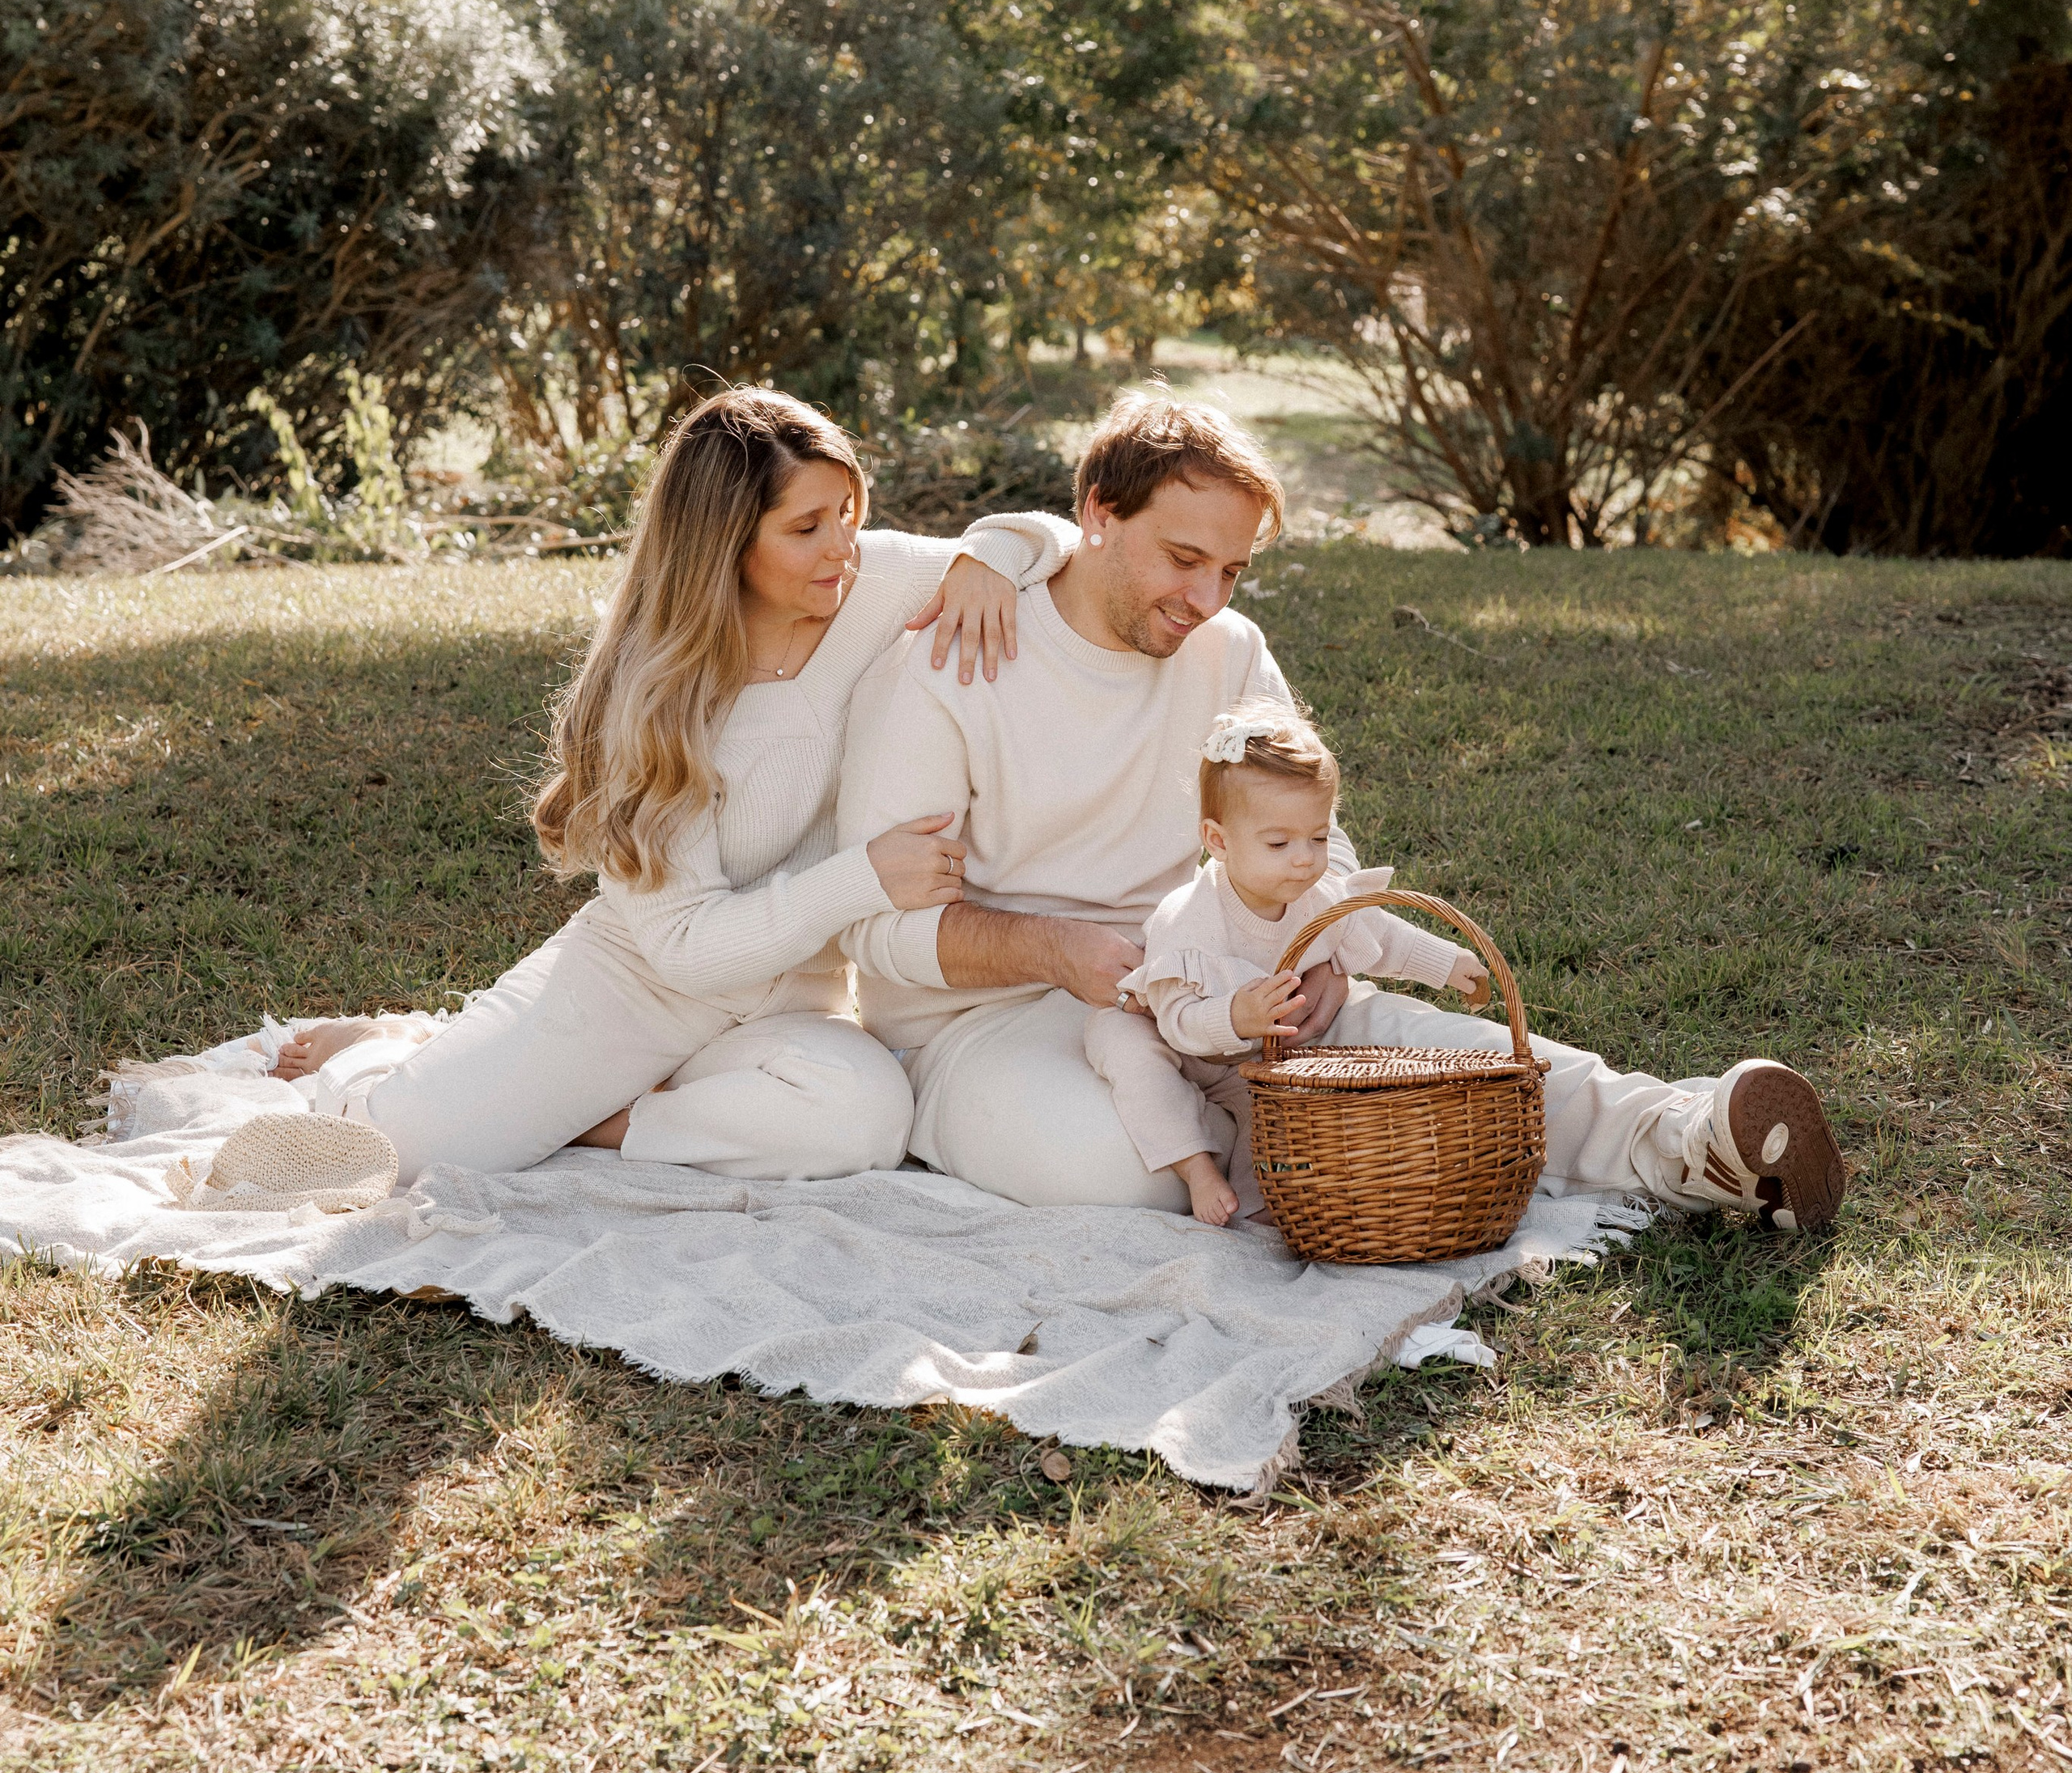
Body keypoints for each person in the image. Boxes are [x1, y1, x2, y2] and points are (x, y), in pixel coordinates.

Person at [835, 388, 1849, 1235]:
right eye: (1183, 559)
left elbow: (1310, 829)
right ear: (1098, 514)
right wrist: (1055, 951)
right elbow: (877, 933)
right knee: (1122, 1168)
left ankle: (1696, 1144)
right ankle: (1367, 1165)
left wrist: (1318, 954)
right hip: (992, 1025)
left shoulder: (1228, 648)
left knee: (1428, 1051)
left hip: (1231, 976)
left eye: (1230, 570)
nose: (1204, 598)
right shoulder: (951, 660)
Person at [278, 386, 1074, 1186]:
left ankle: (613, 1121)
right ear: (724, 542)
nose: (842, 548)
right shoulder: (654, 700)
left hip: (797, 997)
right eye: (805, 528)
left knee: (864, 1120)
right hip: (641, 984)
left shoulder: (874, 583)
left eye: (848, 512)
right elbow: (688, 950)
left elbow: (1064, 545)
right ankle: (385, 1049)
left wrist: (987, 559)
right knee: (393, 1154)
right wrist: (867, 877)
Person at [1085, 702, 1488, 1225]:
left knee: (1283, 1109)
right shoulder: (1188, 918)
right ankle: (1195, 1165)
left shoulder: (1315, 897)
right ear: (1218, 841)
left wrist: (1452, 965)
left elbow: (1383, 935)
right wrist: (1234, 1017)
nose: (1304, 858)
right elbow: (1177, 1019)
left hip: (1256, 1060)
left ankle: (1262, 1208)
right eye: (1279, 843)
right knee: (1125, 1049)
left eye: (1318, 838)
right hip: (1174, 1040)